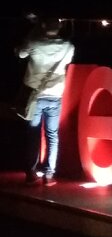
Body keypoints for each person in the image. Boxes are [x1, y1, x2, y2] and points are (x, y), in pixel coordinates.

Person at [15, 16, 76, 187]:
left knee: (33, 134)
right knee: (52, 135)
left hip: (35, 96)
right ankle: (49, 174)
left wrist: (33, 30)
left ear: (42, 25)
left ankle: (31, 173)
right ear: (60, 27)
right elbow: (67, 62)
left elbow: (20, 53)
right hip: (55, 95)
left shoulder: (34, 42)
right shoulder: (68, 47)